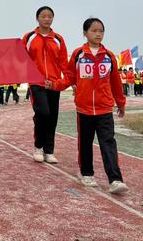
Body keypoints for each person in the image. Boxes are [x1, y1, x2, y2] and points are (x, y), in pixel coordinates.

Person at [47, 18, 128, 194]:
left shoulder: (109, 57)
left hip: (104, 108)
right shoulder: (78, 55)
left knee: (108, 143)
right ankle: (87, 173)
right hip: (83, 109)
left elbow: (116, 83)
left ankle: (115, 179)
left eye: (101, 31)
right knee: (85, 143)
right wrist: (54, 85)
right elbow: (69, 77)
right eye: (94, 31)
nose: (98, 34)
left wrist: (120, 103)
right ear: (85, 33)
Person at [22, 6, 68, 164]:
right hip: (37, 83)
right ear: (37, 18)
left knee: (53, 117)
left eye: (50, 16)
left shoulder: (59, 39)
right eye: (43, 16)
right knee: (43, 113)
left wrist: (67, 81)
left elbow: (63, 63)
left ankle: (49, 151)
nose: (47, 19)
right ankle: (38, 147)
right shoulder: (29, 37)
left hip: (54, 83)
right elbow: (22, 59)